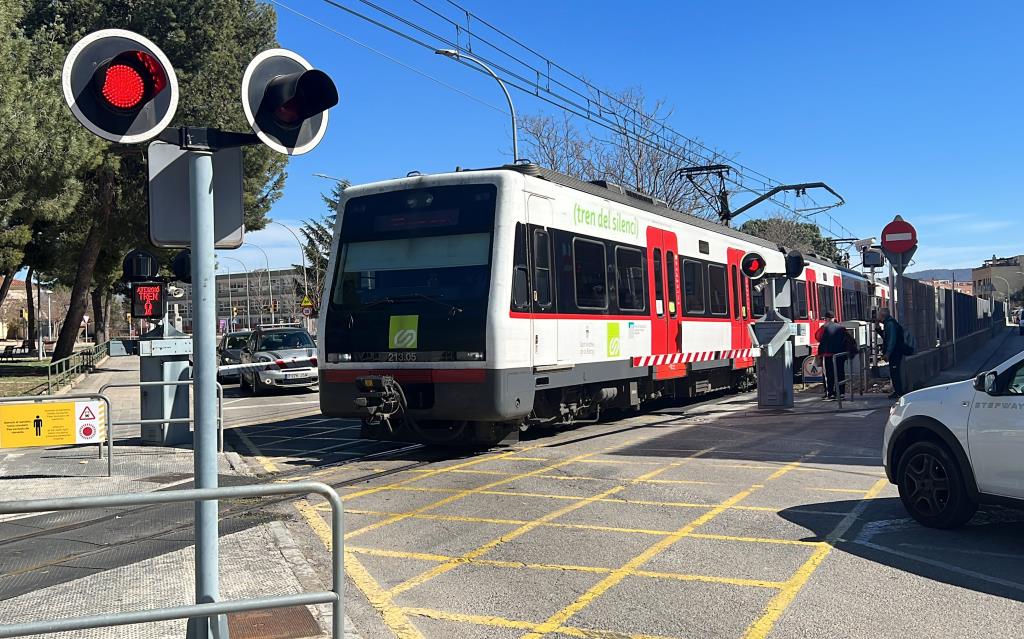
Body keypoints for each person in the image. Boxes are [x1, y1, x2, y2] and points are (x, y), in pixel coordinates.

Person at [815, 311, 849, 400]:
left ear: (826, 319)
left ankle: (830, 393)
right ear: (834, 318)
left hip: (828, 354)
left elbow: (818, 337)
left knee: (828, 375)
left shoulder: (824, 327)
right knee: (840, 373)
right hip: (840, 355)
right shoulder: (841, 328)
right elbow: (847, 340)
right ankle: (841, 393)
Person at [877, 308, 906, 398]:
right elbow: (887, 337)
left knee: (895, 372)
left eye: (878, 314)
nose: (877, 316)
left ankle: (899, 392)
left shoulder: (890, 324)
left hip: (895, 352)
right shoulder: (889, 323)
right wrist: (879, 330)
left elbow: (891, 340)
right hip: (896, 351)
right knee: (894, 372)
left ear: (882, 315)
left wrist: (888, 353)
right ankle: (897, 391)